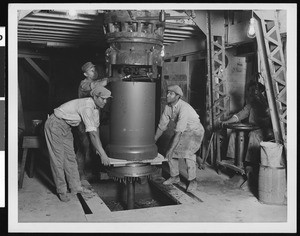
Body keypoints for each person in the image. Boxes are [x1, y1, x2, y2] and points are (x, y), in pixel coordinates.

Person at [44, 85, 112, 202]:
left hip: (66, 127)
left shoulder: (96, 109)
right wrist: (103, 153)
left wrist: (99, 149)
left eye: (107, 99)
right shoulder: (87, 107)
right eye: (102, 98)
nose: (105, 102)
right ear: (95, 97)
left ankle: (75, 187)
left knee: (70, 158)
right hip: (55, 124)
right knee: (58, 159)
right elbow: (92, 134)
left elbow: (96, 130)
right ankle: (62, 190)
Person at [154, 85, 205, 192]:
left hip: (195, 130)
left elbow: (178, 133)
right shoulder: (168, 107)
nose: (168, 95)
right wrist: (153, 142)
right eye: (167, 92)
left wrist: (171, 149)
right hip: (183, 131)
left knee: (187, 153)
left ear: (177, 96)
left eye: (171, 93)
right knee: (169, 152)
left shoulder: (184, 108)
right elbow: (161, 127)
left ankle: (193, 180)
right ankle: (175, 176)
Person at [221, 81, 273, 168]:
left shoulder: (268, 104)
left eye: (253, 91)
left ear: (260, 92)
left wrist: (260, 99)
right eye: (250, 91)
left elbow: (269, 116)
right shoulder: (250, 105)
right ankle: (233, 159)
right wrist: (227, 121)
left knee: (253, 135)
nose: (251, 94)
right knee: (234, 134)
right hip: (252, 128)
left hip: (265, 130)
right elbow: (239, 116)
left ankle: (250, 164)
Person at [76, 62, 108, 180]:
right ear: (85, 74)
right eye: (91, 71)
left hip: (94, 117)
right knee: (84, 146)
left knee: (96, 144)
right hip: (83, 120)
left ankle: (92, 172)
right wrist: (111, 78)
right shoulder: (84, 83)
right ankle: (80, 175)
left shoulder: (96, 82)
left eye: (95, 69)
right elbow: (99, 84)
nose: (95, 72)